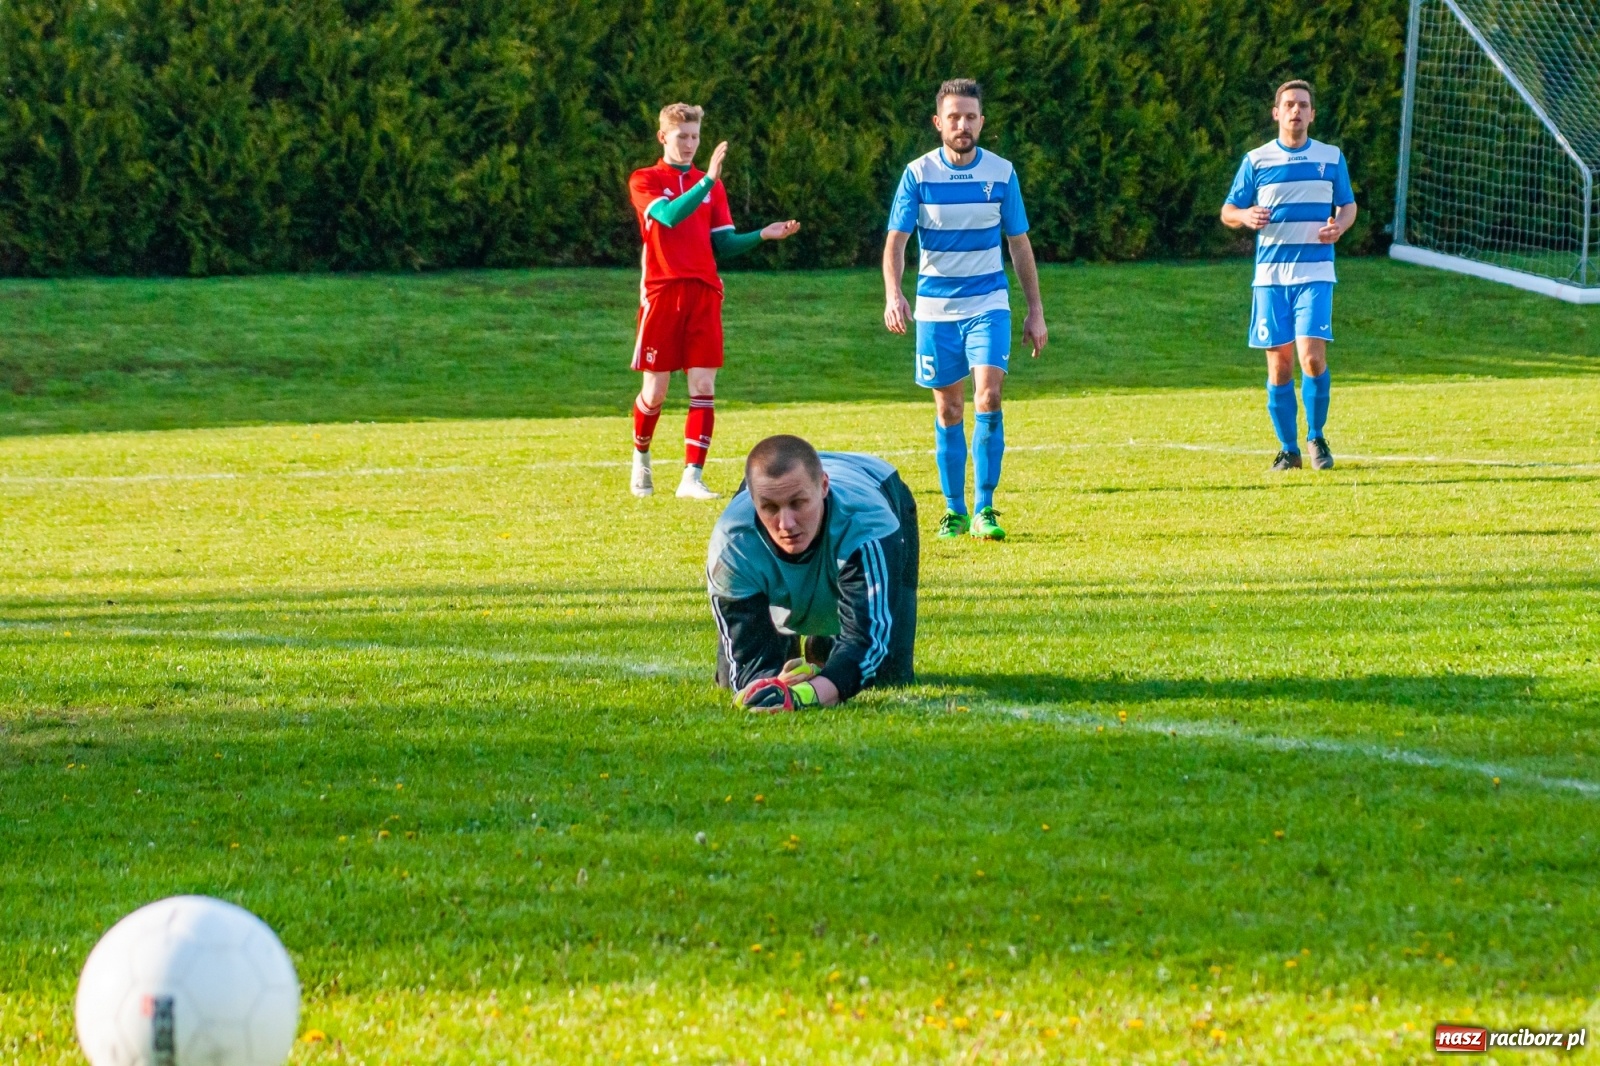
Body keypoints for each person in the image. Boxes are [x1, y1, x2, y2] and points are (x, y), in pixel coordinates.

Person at [882, 78, 1047, 542]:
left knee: (988, 397)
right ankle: (953, 511)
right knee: (949, 407)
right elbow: (896, 242)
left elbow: (1019, 244)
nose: (962, 125)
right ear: (938, 122)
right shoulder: (918, 174)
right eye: (953, 117)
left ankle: (984, 509)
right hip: (936, 311)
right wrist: (894, 294)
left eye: (970, 117)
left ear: (981, 121)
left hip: (988, 304)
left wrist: (1035, 309)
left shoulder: (1002, 173)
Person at [627, 102, 801, 499]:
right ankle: (641, 455)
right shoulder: (645, 179)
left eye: (695, 137)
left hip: (704, 292)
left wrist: (762, 235)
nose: (690, 144)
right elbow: (668, 217)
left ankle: (692, 477)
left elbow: (723, 243)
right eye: (682, 136)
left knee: (703, 385)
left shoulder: (712, 186)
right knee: (654, 392)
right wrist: (706, 181)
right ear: (663, 137)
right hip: (662, 292)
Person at [708, 436, 918, 711]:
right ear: (753, 500)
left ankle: (827, 642)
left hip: (878, 484)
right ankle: (814, 649)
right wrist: (770, 685)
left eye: (798, 503)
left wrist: (806, 695)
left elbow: (867, 642)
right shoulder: (732, 542)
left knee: (887, 676)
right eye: (770, 507)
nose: (786, 524)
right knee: (733, 682)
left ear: (824, 486)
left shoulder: (869, 524)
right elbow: (748, 662)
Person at [1221, 79, 1359, 471]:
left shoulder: (1330, 157)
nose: (1296, 110)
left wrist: (1340, 226)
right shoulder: (1257, 160)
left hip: (1315, 273)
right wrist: (1245, 215)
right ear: (1276, 113)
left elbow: (1348, 205)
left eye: (1303, 105)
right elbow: (1228, 210)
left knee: (1312, 358)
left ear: (1312, 114)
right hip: (1270, 279)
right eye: (1289, 105)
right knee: (1280, 366)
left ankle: (1316, 437)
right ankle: (1288, 449)